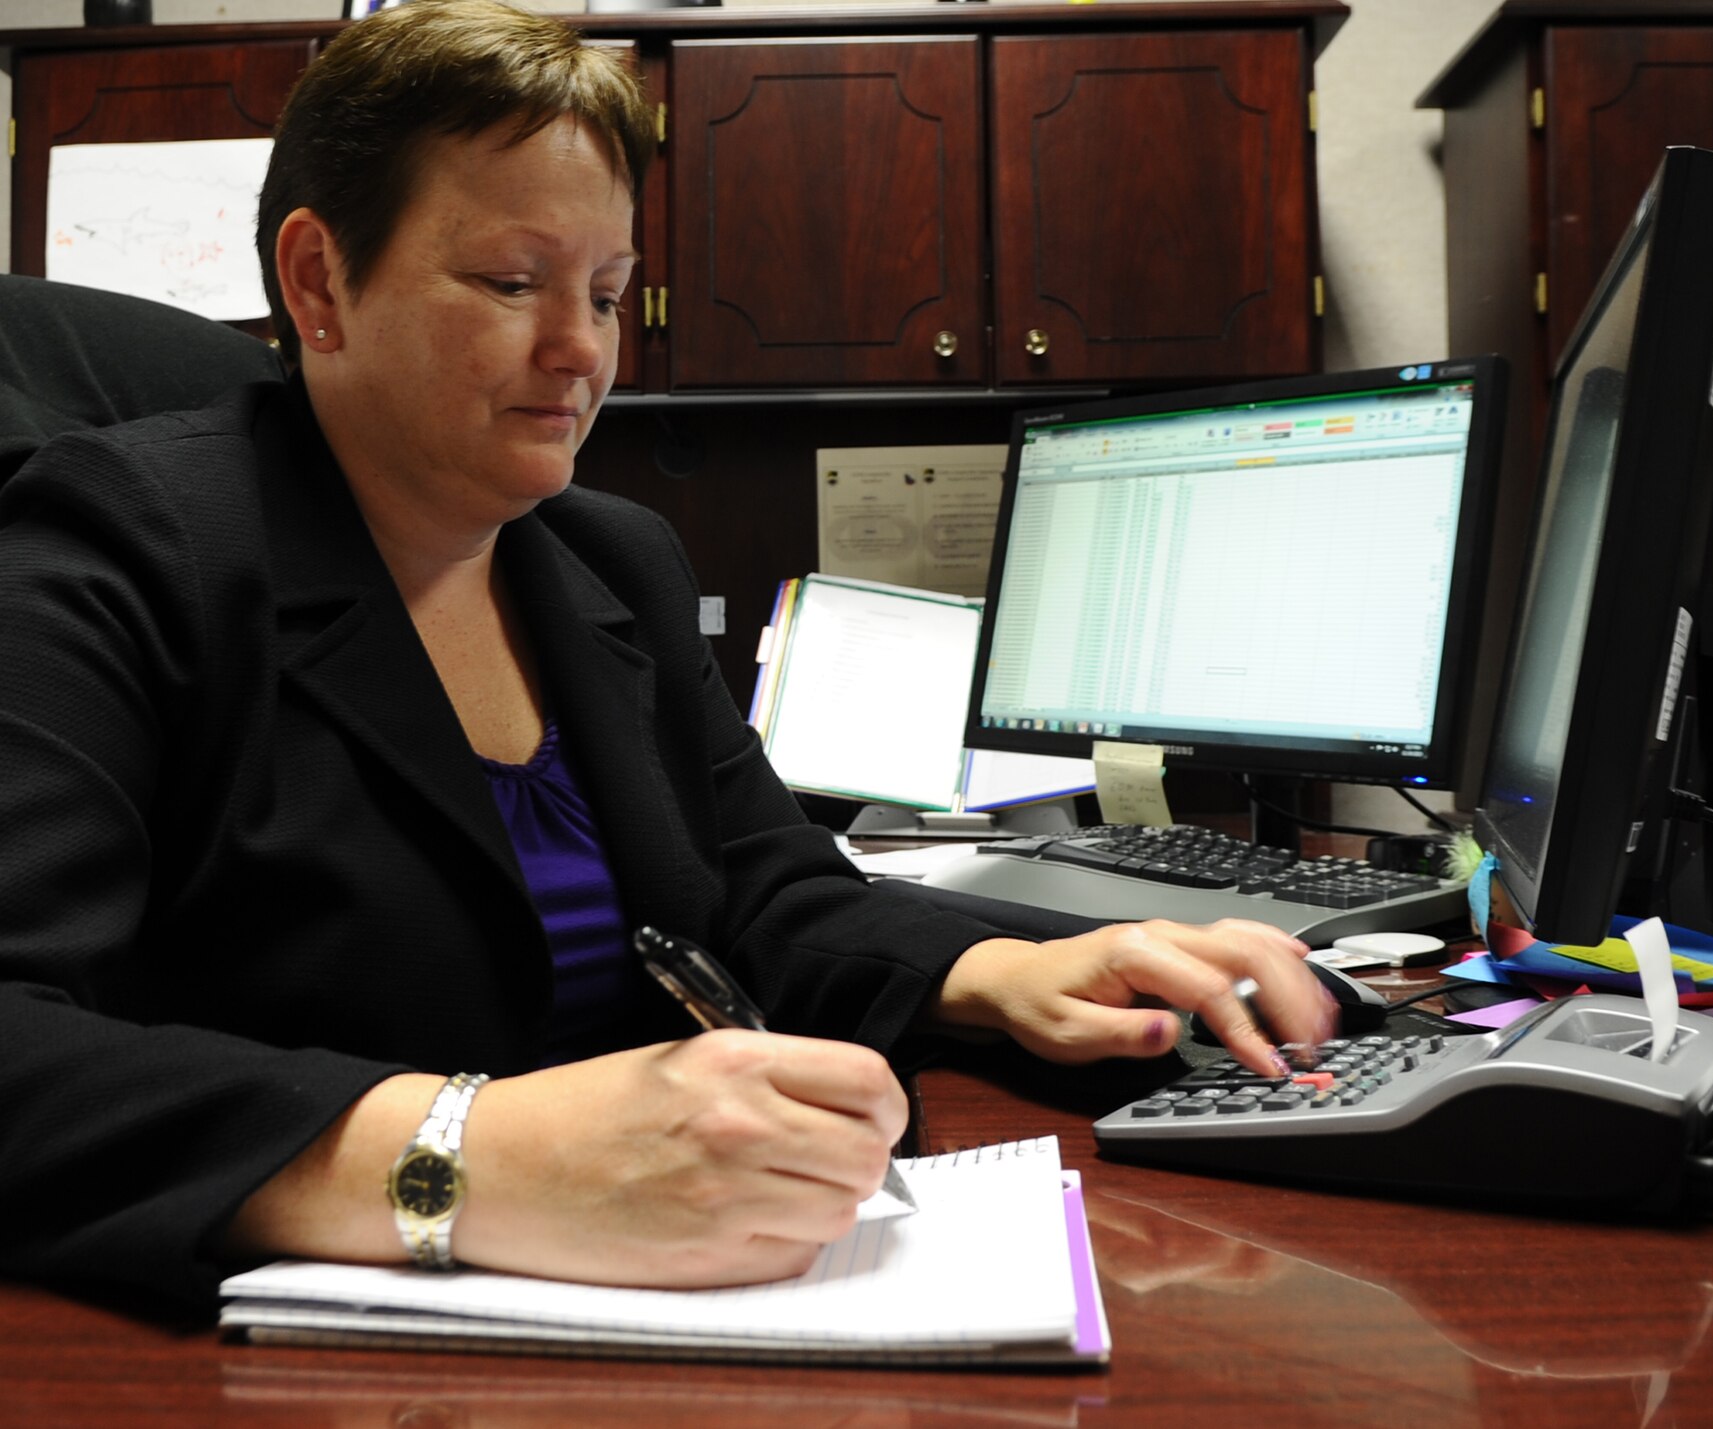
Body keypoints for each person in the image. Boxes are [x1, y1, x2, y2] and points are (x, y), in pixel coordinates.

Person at [0, 0, 1333, 1311]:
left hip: (683, 1295)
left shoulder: (611, 561)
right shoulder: (117, 548)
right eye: (510, 283)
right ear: (318, 280)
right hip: (319, 1351)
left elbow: (760, 893)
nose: (581, 351)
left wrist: (1013, 969)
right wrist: (463, 1152)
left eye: (608, 291)